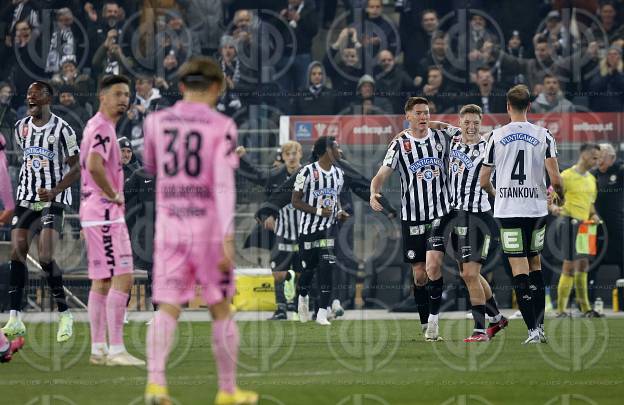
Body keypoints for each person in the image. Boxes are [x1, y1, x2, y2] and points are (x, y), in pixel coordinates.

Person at [142, 57, 258, 405]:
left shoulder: (155, 122)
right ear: (216, 88)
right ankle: (226, 391)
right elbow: (223, 185)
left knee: (168, 308)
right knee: (221, 309)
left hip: (170, 228)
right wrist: (227, 237)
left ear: (180, 87)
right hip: (208, 231)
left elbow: (150, 166)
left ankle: (156, 385)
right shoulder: (222, 126)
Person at [480, 84, 563, 344]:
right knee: (535, 264)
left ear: (507, 106)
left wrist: (498, 194)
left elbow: (483, 180)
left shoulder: (495, 136)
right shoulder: (544, 135)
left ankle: (532, 331)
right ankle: (539, 327)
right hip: (536, 210)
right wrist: (559, 195)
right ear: (529, 106)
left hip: (509, 211)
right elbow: (556, 179)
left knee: (518, 270)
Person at [1, 81, 80, 343]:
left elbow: (77, 167)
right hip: (27, 198)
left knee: (45, 256)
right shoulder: (20, 127)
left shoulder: (63, 129)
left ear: (48, 98)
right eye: (27, 96)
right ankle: (15, 318)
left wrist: (55, 190)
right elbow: (26, 160)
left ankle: (65, 314)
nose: (30, 100)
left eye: (35, 96)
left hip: (52, 199)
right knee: (17, 251)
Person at [370, 96, 454, 341]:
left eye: (426, 112)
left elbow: (467, 133)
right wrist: (373, 192)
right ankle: (425, 321)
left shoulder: (441, 138)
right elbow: (382, 173)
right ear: (407, 116)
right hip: (412, 216)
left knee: (433, 266)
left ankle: (435, 322)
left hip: (440, 213)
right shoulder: (399, 145)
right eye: (418, 113)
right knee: (419, 274)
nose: (423, 117)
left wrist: (437, 123)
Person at [80, 74, 145, 367]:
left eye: (127, 94)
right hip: (104, 213)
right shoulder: (103, 129)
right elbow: (94, 165)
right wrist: (114, 194)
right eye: (118, 94)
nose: (124, 99)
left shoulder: (98, 126)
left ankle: (99, 349)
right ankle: (114, 349)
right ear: (102, 97)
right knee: (121, 276)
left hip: (100, 214)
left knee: (104, 280)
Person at [439, 104, 508, 342]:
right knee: (468, 274)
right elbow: (437, 126)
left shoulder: (489, 145)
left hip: (479, 218)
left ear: (481, 123)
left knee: (470, 274)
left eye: (475, 123)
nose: (471, 127)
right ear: (460, 122)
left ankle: (480, 330)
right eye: (467, 122)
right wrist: (404, 133)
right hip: (457, 216)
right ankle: (497, 318)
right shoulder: (454, 137)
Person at [236, 142, 303, 321]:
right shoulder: (275, 175)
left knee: (301, 272)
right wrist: (243, 158)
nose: (291, 156)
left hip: (305, 231)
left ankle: (298, 306)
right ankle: (281, 309)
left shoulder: (309, 174)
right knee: (278, 273)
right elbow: (256, 175)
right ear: (283, 156)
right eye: (288, 153)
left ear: (300, 154)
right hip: (282, 231)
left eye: (294, 153)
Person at [292, 136, 347, 325]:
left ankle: (322, 312)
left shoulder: (339, 174)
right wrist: (318, 211)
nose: (340, 152)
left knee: (327, 268)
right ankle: (302, 297)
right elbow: (295, 201)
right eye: (337, 148)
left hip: (328, 231)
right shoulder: (306, 173)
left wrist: (339, 212)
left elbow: (335, 199)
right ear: (326, 151)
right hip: (308, 230)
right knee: (309, 270)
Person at [550, 144, 602, 318]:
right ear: (584, 155)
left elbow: (590, 203)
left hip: (586, 226)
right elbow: (551, 199)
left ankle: (585, 308)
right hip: (568, 223)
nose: (597, 161)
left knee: (583, 265)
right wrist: (554, 208)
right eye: (594, 157)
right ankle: (561, 310)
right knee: (569, 266)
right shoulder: (566, 176)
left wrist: (594, 215)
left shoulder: (591, 179)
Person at [592, 144, 624, 282]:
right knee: (591, 261)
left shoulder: (619, 171)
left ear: (612, 158)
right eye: (597, 156)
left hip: (618, 225)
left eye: (603, 156)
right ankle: (587, 298)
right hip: (595, 226)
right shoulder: (592, 175)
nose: (600, 160)